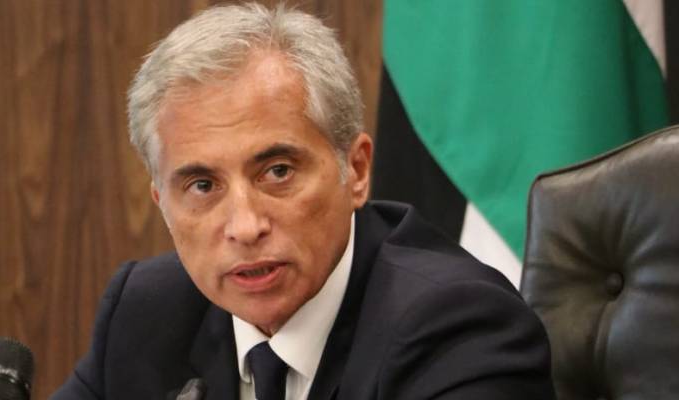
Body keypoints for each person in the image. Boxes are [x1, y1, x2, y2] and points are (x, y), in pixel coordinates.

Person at [52, 3, 555, 399]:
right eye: (203, 186)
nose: (245, 226)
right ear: (161, 201)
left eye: (277, 172)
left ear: (356, 170)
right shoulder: (147, 312)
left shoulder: (458, 327)